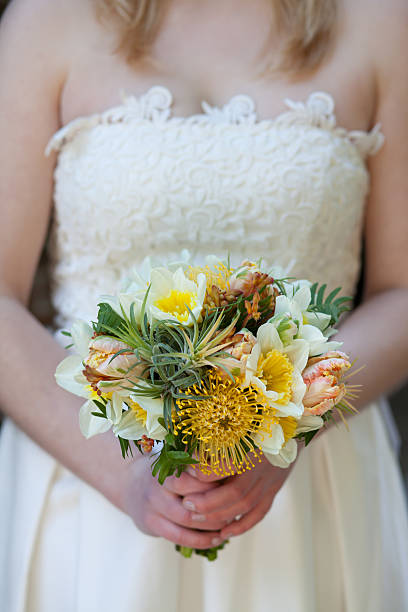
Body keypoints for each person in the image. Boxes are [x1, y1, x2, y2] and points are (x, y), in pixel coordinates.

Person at [0, 0, 407, 610]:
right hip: (89, 484)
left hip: (312, 488)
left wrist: (294, 424)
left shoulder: (381, 22)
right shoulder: (46, 20)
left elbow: (401, 292)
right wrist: (131, 480)